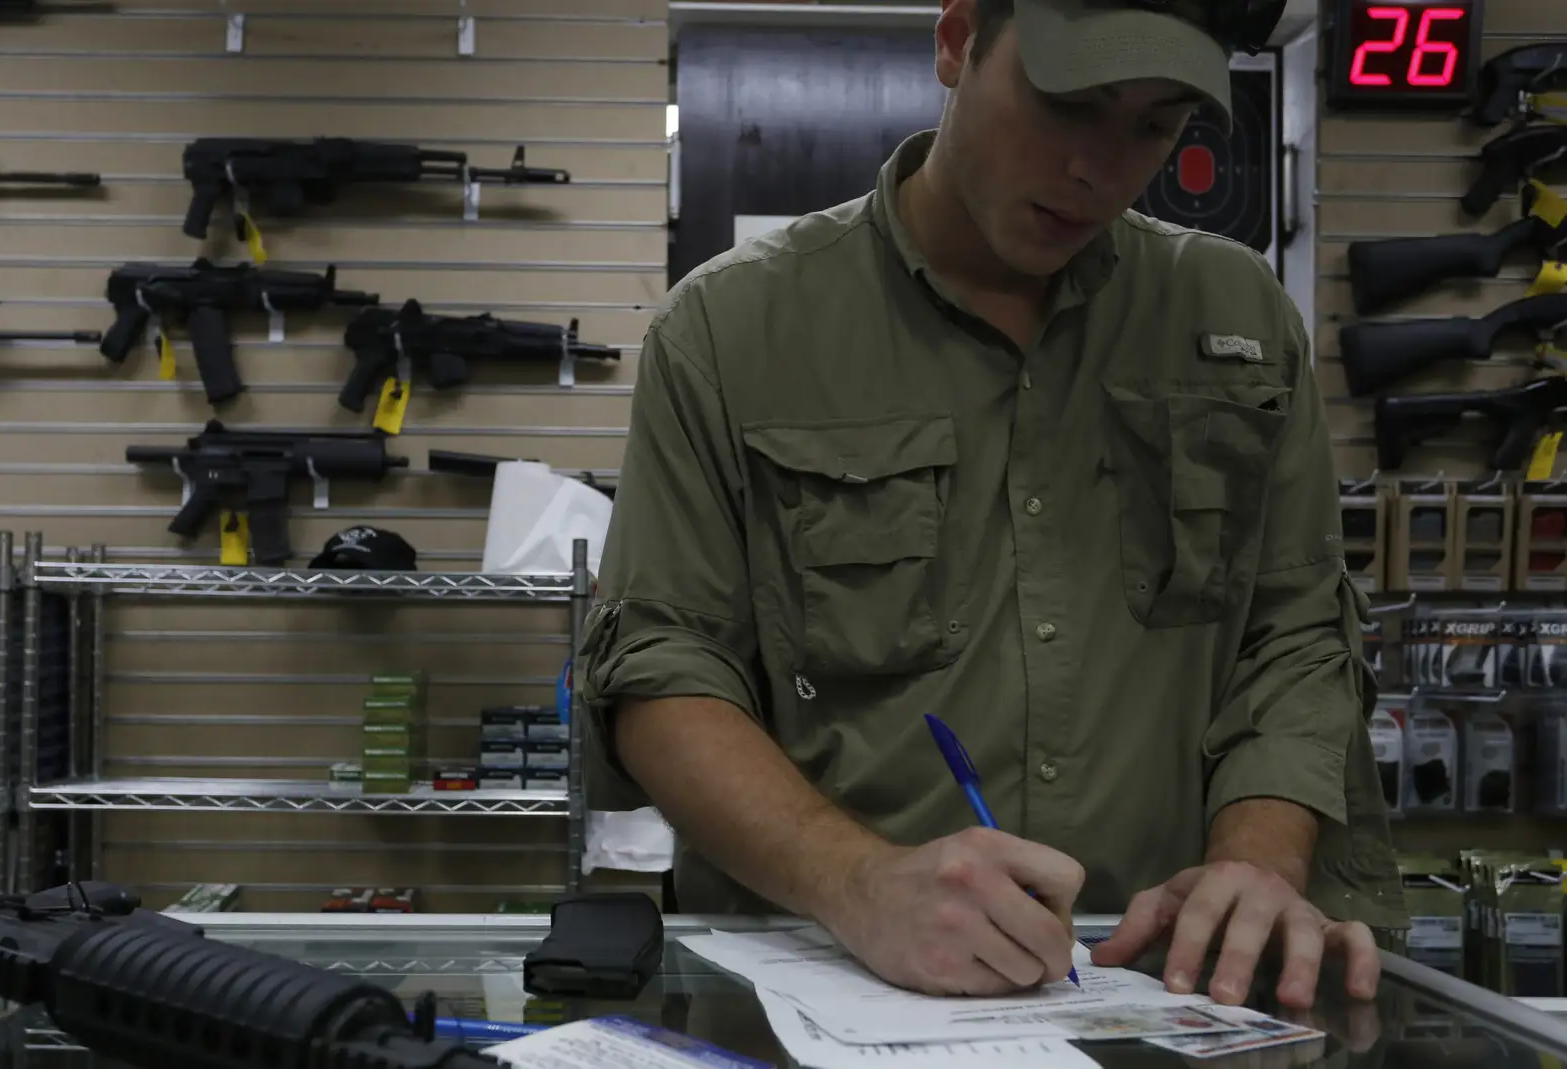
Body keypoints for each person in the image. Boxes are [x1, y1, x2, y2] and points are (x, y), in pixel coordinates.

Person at [577, 0, 1408, 1012]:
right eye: (1069, 106)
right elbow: (664, 674)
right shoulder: (728, 330)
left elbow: (1292, 639)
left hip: (1160, 993)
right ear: (957, 38)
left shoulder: (1235, 321)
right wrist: (859, 882)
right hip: (834, 989)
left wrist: (1256, 866)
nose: (1098, 169)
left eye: (1150, 126)